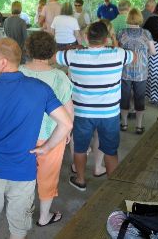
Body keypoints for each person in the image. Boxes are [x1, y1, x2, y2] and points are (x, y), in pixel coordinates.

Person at [0, 38, 73, 239]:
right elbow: (66, 124)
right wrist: (47, 147)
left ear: (3, 62)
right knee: (18, 230)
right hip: (24, 171)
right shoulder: (40, 89)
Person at [55, 21, 135, 191]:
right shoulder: (119, 54)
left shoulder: (73, 55)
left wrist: (77, 46)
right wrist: (113, 40)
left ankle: (81, 180)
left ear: (86, 37)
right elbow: (133, 56)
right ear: (106, 39)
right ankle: (113, 185)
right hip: (109, 113)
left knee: (80, 148)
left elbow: (54, 56)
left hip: (83, 112)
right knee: (110, 150)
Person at [19, 31, 74, 227]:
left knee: (22, 177)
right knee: (48, 175)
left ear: (28, 49)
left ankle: (21, 215)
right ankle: (44, 217)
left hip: (21, 135)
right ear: (53, 52)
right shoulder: (60, 77)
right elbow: (68, 111)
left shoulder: (17, 72)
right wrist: (66, 132)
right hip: (51, 135)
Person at [117, 8, 156, 134]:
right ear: (140, 18)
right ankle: (139, 126)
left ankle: (124, 124)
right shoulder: (146, 33)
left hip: (125, 71)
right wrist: (144, 55)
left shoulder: (121, 33)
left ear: (128, 18)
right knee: (139, 98)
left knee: (124, 97)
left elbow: (117, 51)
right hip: (141, 72)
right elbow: (153, 52)